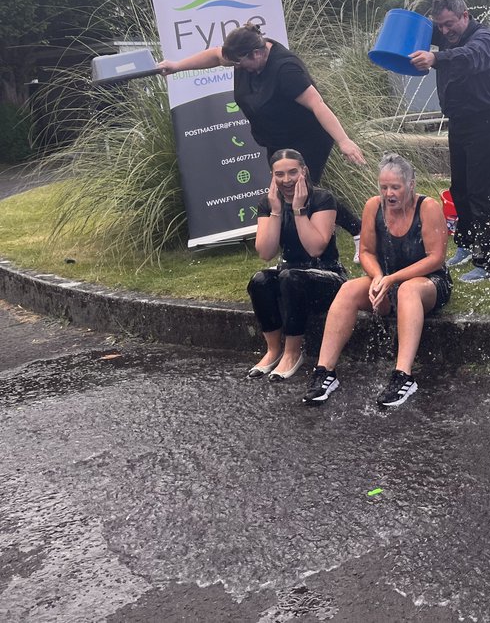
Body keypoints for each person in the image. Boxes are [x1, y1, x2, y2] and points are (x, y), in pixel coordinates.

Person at [157, 22, 366, 247]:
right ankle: (342, 234)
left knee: (299, 189)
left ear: (257, 53)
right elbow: (216, 56)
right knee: (285, 191)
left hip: (308, 136)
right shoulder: (241, 54)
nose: (236, 67)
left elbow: (317, 104)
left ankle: (351, 232)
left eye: (240, 63)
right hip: (276, 138)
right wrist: (176, 66)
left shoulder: (286, 69)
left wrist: (344, 140)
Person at [302, 153, 451, 407]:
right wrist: (379, 276)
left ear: (411, 185)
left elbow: (435, 258)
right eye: (384, 187)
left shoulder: (427, 208)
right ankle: (324, 372)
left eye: (396, 187)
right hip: (387, 279)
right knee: (348, 289)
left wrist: (392, 278)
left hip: (428, 283)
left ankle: (403, 376)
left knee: (406, 291)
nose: (389, 194)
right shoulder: (373, 206)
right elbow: (367, 252)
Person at [409, 0, 490, 283]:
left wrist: (435, 57)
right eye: (440, 25)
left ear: (466, 15)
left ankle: (487, 261)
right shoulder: (445, 34)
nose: (445, 31)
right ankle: (464, 244)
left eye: (450, 24)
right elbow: (416, 30)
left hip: (484, 118)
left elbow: (468, 58)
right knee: (459, 186)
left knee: (481, 189)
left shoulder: (485, 39)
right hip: (459, 120)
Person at [246, 149, 347, 381]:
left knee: (291, 277)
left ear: (304, 171)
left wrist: (299, 210)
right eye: (279, 174)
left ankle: (292, 352)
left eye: (293, 172)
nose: (286, 180)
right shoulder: (269, 203)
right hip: (288, 275)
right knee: (260, 280)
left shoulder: (322, 199)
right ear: (272, 176)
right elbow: (266, 252)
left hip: (327, 276)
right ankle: (273, 350)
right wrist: (275, 211)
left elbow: (315, 248)